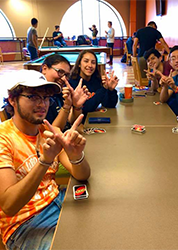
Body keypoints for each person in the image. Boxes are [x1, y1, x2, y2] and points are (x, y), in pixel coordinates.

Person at [0, 69, 90, 250]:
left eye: (45, 98)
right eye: (33, 97)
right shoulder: (4, 138)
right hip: (25, 224)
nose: (42, 104)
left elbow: (82, 175)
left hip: (59, 201)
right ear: (12, 99)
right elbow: (9, 206)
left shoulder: (48, 132)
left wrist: (76, 156)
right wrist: (44, 161)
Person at [40, 54, 90, 131]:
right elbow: (51, 132)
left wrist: (76, 106)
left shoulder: (59, 92)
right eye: (60, 72)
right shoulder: (38, 97)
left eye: (66, 75)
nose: (63, 78)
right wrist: (66, 106)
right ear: (44, 68)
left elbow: (71, 120)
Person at [69, 50, 118, 121]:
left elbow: (109, 105)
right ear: (79, 64)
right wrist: (103, 89)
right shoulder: (72, 83)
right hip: (79, 124)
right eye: (86, 61)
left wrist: (110, 90)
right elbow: (87, 108)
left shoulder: (96, 81)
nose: (90, 65)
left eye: (93, 62)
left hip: (94, 120)